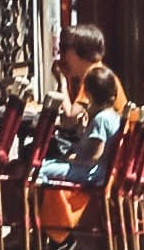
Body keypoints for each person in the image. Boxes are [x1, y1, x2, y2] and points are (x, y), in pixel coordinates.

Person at [39, 60, 127, 190]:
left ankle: (54, 207)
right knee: (47, 164)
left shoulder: (101, 119)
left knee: (40, 170)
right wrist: (82, 131)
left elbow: (94, 156)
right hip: (99, 172)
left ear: (89, 94)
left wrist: (71, 159)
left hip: (92, 173)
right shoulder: (114, 117)